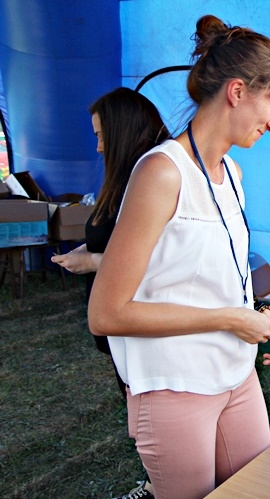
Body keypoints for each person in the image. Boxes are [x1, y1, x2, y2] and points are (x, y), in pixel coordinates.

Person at [87, 15, 270, 499]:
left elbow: (217, 282)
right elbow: (106, 314)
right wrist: (229, 318)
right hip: (174, 386)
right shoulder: (162, 173)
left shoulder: (234, 175)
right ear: (238, 91)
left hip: (236, 375)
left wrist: (263, 319)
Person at [52, 87, 169, 398]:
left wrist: (91, 261)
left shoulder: (150, 179)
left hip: (144, 330)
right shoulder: (127, 178)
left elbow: (160, 260)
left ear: (124, 133)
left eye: (103, 136)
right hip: (124, 328)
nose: (100, 148)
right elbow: (120, 241)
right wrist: (89, 248)